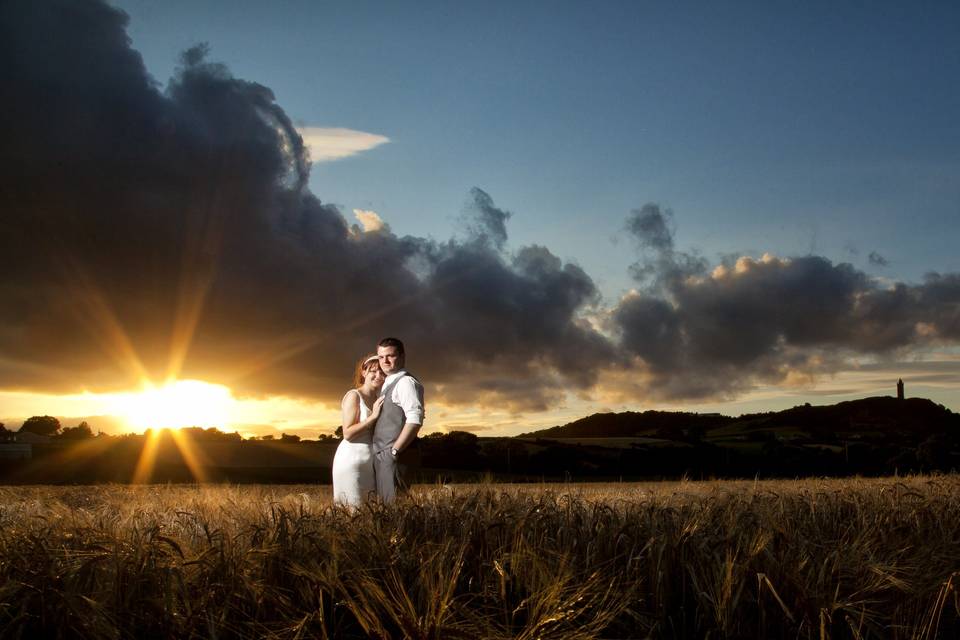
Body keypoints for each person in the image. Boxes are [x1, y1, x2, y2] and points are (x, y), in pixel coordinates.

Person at [372, 337, 425, 502]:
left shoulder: (405, 382)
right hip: (385, 455)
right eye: (381, 357)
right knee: (386, 507)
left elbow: (415, 418)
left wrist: (394, 451)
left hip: (395, 455)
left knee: (395, 507)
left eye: (390, 356)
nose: (385, 361)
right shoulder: (389, 383)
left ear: (402, 357)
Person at [331, 354, 385, 506]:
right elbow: (347, 433)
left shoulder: (379, 398)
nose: (378, 375)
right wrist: (372, 417)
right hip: (352, 461)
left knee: (370, 512)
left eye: (382, 372)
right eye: (373, 371)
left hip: (371, 463)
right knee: (353, 509)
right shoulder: (354, 396)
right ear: (364, 372)